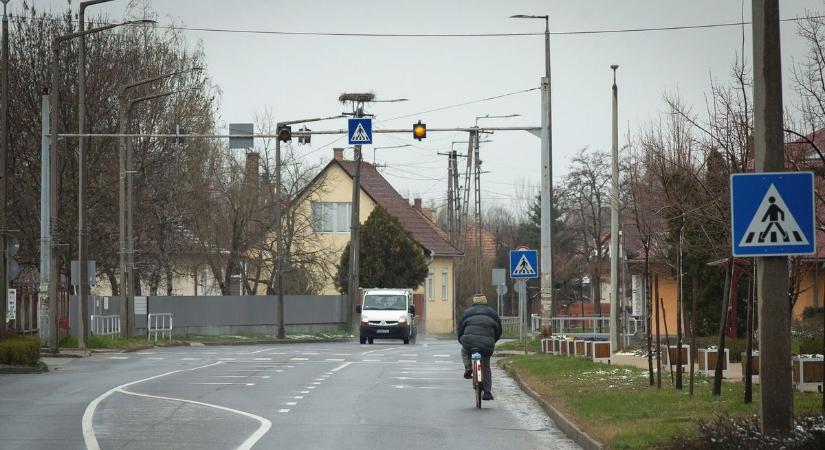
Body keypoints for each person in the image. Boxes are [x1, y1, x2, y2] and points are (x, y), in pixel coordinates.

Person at [457, 293, 502, 401]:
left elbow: (460, 329)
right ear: (485, 301)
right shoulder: (493, 313)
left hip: (469, 342)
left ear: (474, 301)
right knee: (486, 366)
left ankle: (468, 368)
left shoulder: (467, 312)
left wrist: (461, 341)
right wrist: (492, 341)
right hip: (487, 343)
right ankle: (487, 392)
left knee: (464, 351)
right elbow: (499, 331)